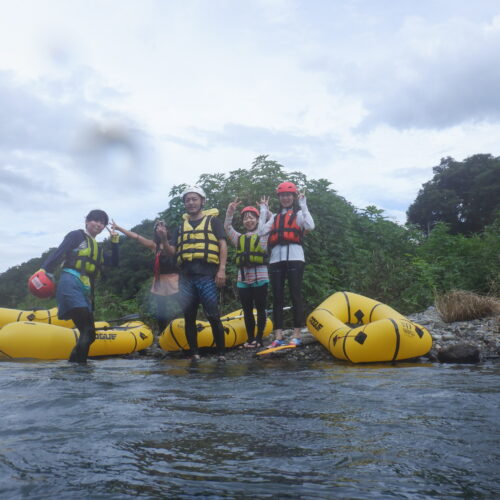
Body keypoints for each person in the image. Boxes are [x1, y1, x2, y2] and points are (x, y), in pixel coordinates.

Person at [39, 209, 119, 363]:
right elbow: (59, 253)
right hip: (70, 283)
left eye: (102, 222)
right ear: (87, 222)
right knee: (88, 331)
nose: (99, 224)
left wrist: (114, 242)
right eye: (95, 220)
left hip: (85, 290)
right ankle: (80, 373)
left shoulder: (98, 248)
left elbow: (114, 262)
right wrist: (44, 269)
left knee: (90, 334)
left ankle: (74, 369)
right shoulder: (76, 235)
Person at [159, 186, 227, 361]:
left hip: (207, 275)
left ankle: (221, 354)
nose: (191, 202)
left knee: (213, 315)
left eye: (194, 199)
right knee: (189, 317)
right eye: (187, 200)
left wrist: (221, 270)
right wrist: (164, 239)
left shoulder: (213, 222)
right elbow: (172, 252)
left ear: (202, 201)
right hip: (186, 278)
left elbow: (222, 245)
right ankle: (194, 354)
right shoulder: (181, 226)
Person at [260, 182, 315, 346]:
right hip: (276, 259)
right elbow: (261, 232)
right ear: (279, 198)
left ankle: (296, 334)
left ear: (293, 197)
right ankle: (278, 336)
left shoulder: (298, 215)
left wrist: (303, 205)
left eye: (289, 195)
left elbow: (310, 226)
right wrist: (263, 212)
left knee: (295, 294)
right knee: (277, 297)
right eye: (283, 195)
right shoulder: (275, 217)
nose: (285, 198)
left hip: (296, 258)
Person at [111, 219, 180, 333]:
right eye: (158, 228)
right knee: (161, 309)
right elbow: (136, 236)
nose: (160, 229)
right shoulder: (154, 245)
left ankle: (180, 329)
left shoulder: (174, 243)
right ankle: (163, 333)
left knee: (181, 305)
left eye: (163, 227)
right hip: (160, 280)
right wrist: (119, 228)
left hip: (175, 279)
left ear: (167, 230)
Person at [224, 198, 269, 348]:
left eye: (251, 217)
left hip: (261, 277)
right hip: (243, 279)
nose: (248, 220)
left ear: (257, 220)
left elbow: (270, 221)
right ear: (243, 222)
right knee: (248, 311)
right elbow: (227, 226)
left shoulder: (263, 234)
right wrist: (230, 211)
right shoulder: (239, 238)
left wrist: (264, 209)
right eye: (245, 218)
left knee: (261, 309)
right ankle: (250, 339)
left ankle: (259, 338)